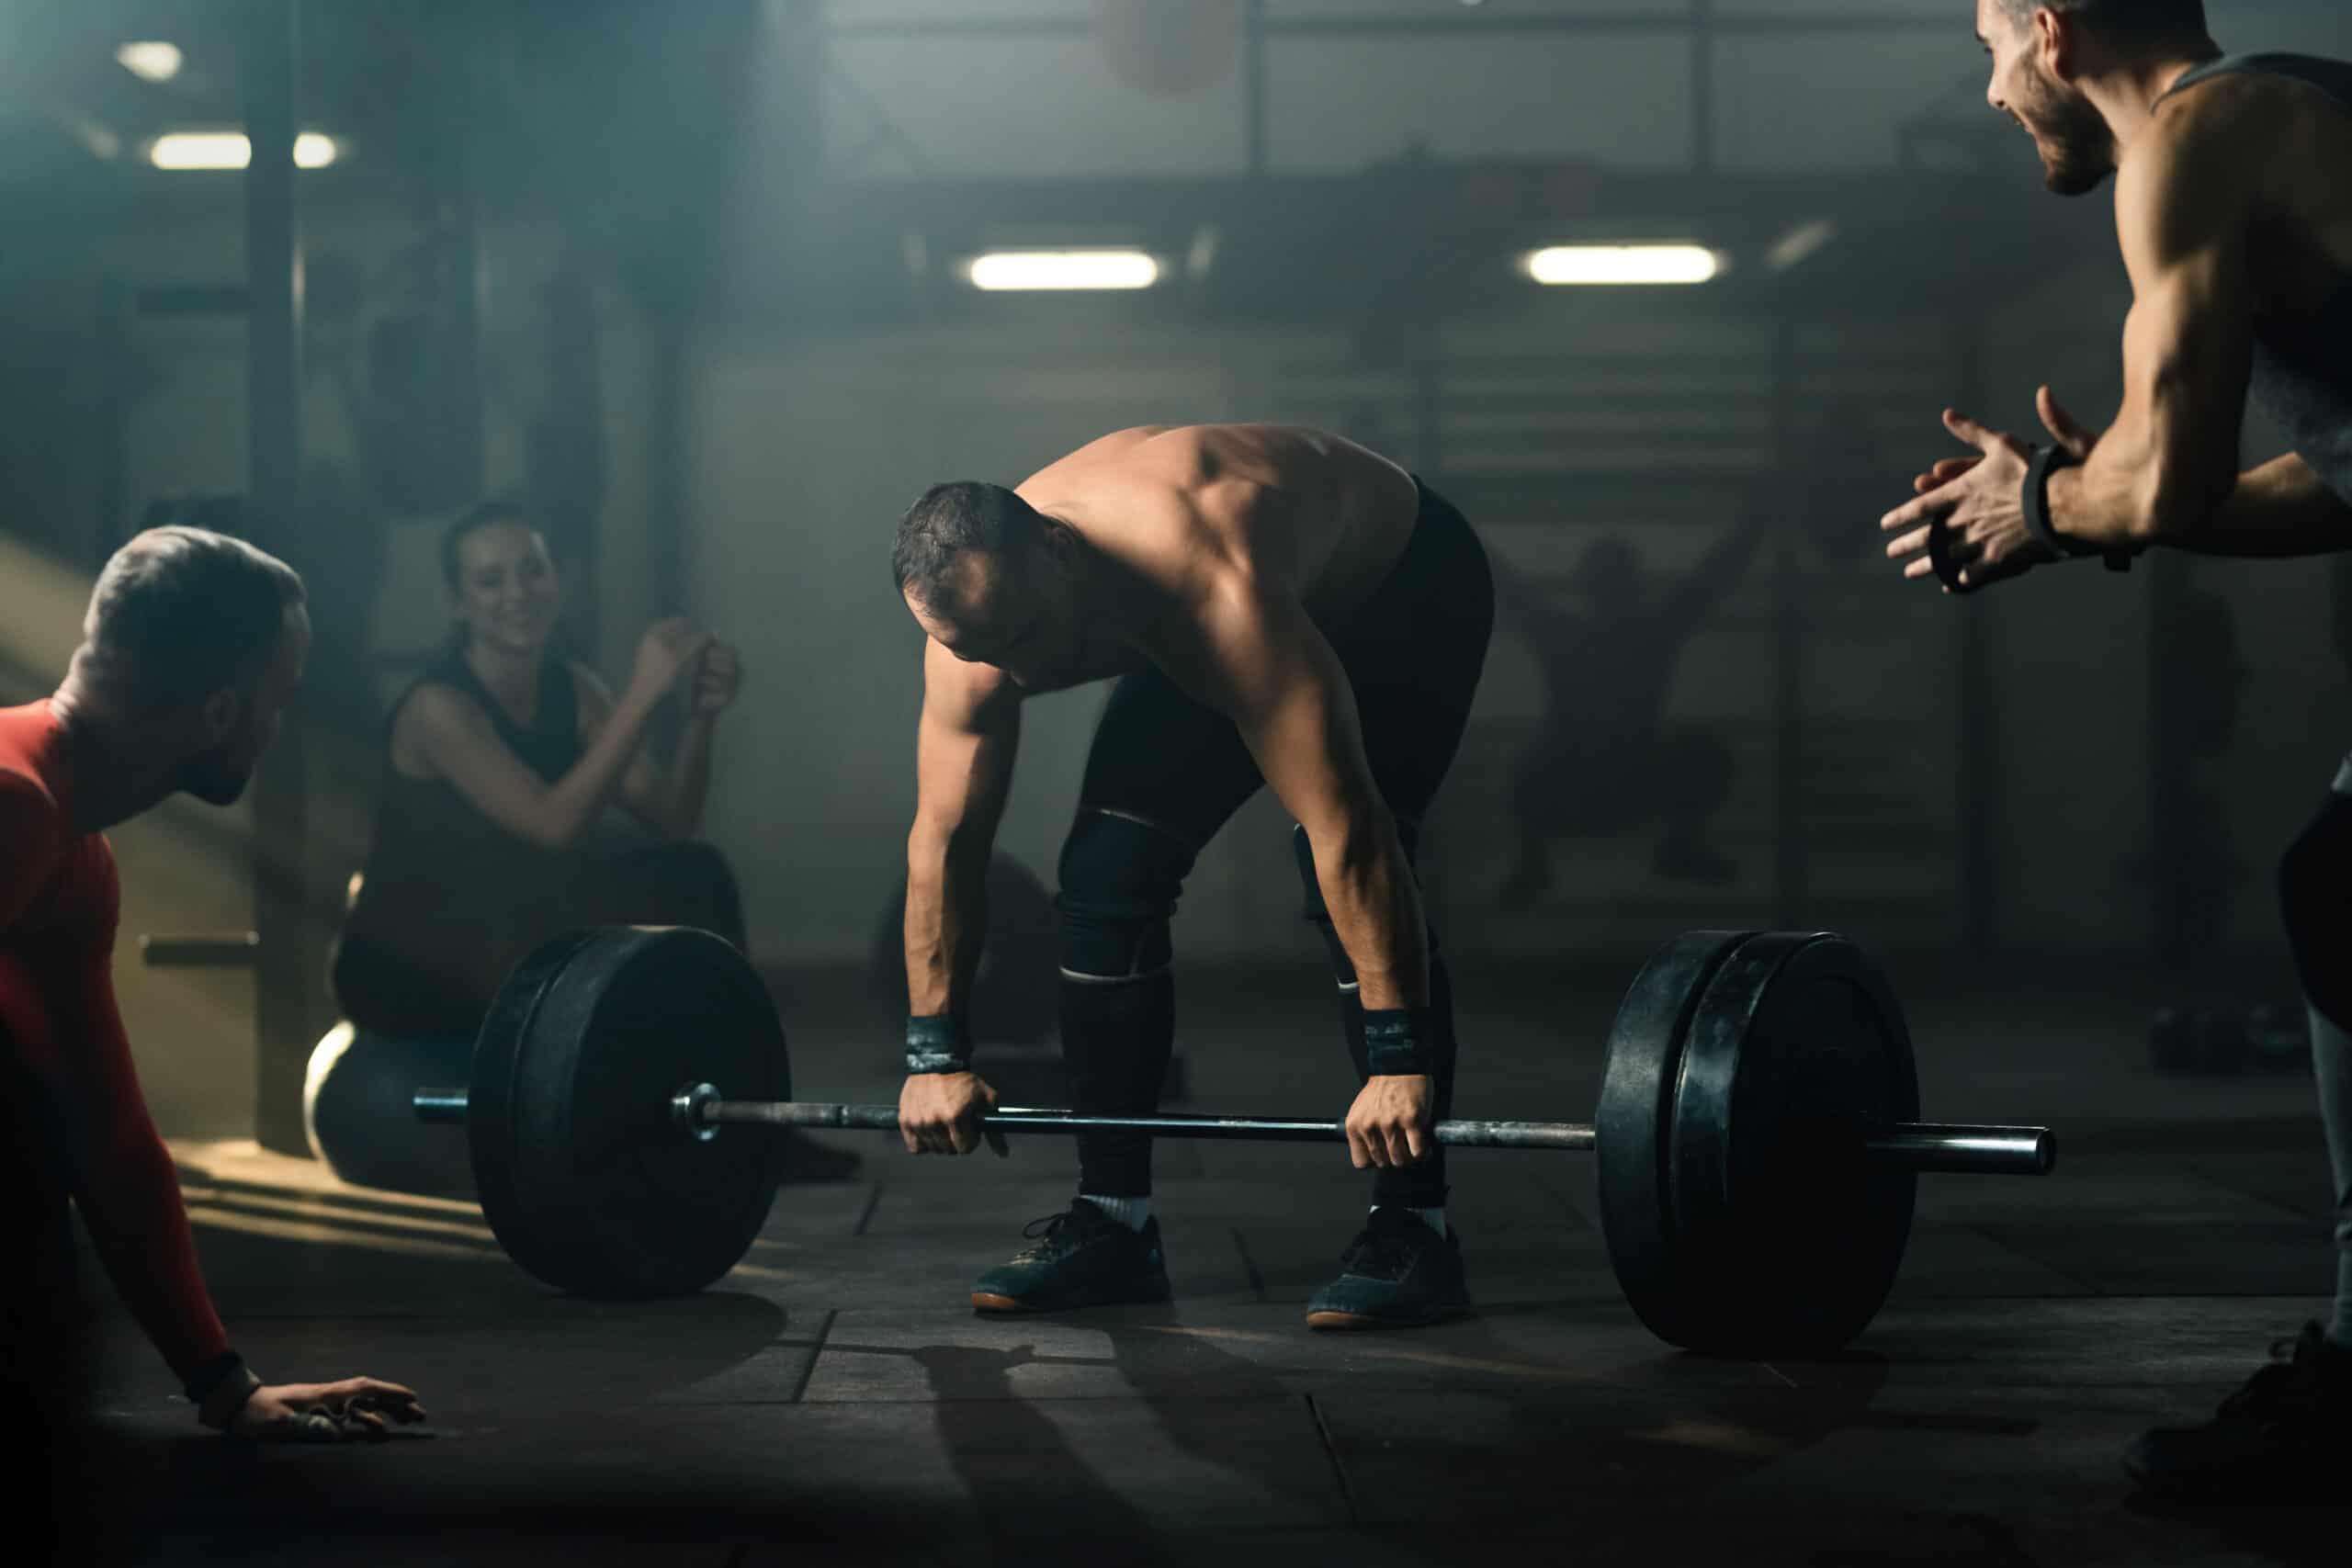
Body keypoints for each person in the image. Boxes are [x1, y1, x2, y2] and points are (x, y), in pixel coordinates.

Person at [1878, 1, 2352, 1499]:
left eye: (1989, 47)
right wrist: (2089, 499)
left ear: (2052, 28)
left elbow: (2169, 476)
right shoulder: (2303, 113)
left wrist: (2051, 507)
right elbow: (2331, 477)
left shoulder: (2195, 145)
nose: (1994, 89)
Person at [891, 423, 1493, 1329]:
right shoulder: (972, 634)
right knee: (1103, 880)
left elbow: (1350, 833)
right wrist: (936, 1055)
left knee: (1337, 858)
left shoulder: (1211, 579)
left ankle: (1417, 1226)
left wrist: (1397, 1060)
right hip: (1191, 604)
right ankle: (1113, 1222)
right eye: (985, 654)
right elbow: (944, 844)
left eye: (1023, 635)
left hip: (1400, 590)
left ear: (1058, 548)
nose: (1014, 672)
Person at [2, 528, 427, 1512]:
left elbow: (111, 1137)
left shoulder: (69, 850)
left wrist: (226, 1389)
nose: (279, 726)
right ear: (226, 710)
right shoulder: (14, 807)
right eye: (282, 697)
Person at [1494, 516, 1761, 902]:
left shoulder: (1570, 638)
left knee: (1526, 767)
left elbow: (1507, 587)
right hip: (1624, 786)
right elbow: (1711, 579)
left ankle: (1533, 865)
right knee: (1707, 754)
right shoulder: (1647, 635)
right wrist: (1758, 518)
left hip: (1579, 791)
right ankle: (1678, 847)